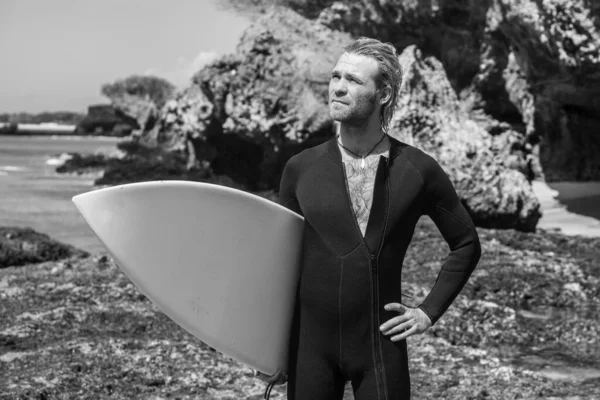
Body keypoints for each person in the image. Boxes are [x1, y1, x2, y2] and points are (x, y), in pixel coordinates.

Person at [259, 36, 482, 400]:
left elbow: (466, 244)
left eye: (353, 81)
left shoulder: (417, 170)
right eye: (335, 77)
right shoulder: (300, 169)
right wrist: (266, 345)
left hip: (380, 349)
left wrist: (427, 312)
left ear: (383, 95)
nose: (339, 88)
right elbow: (278, 263)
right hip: (308, 349)